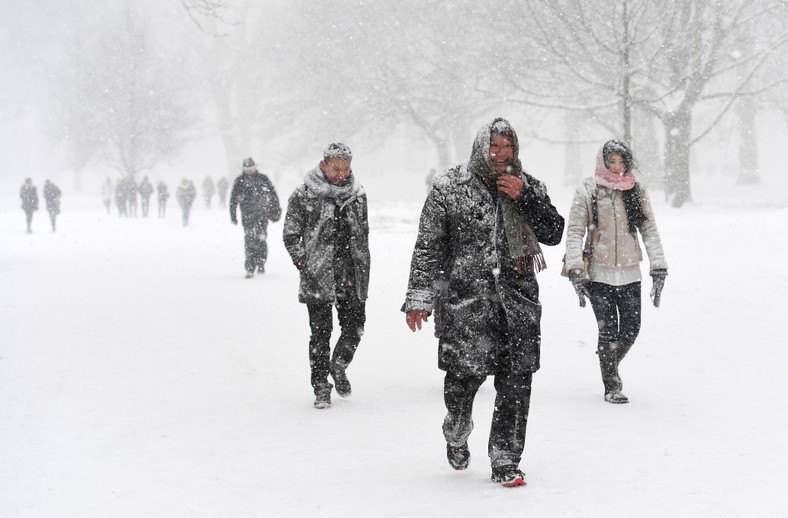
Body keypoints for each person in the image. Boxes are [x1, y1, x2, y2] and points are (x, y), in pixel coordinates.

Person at [402, 118, 564, 488]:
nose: (501, 154)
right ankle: (456, 428)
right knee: (462, 382)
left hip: (518, 304)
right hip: (465, 304)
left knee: (517, 383)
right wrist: (419, 297)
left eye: (508, 147)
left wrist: (526, 198)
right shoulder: (450, 187)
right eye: (494, 146)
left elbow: (553, 232)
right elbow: (428, 246)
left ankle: (506, 459)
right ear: (480, 147)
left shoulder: (527, 184)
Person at [564, 139, 668, 404]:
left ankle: (608, 360)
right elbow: (575, 230)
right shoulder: (589, 190)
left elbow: (650, 230)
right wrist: (575, 267)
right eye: (611, 160)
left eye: (622, 160)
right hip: (598, 274)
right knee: (608, 330)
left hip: (631, 272)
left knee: (631, 329)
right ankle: (612, 384)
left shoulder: (636, 189)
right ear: (602, 161)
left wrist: (659, 267)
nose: (617, 166)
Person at [283, 143, 370, 410]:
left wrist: (362, 264)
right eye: (336, 168)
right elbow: (290, 233)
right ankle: (321, 386)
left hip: (352, 273)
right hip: (318, 275)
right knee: (320, 334)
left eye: (346, 168)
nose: (341, 174)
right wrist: (304, 261)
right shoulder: (303, 195)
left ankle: (339, 365)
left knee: (355, 326)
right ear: (323, 165)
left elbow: (363, 233)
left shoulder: (358, 195)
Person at [230, 158, 281, 278]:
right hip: (247, 216)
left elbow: (273, 195)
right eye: (246, 169)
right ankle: (250, 267)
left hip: (262, 216)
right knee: (249, 240)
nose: (249, 171)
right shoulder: (239, 181)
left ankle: (261, 262)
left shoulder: (263, 179)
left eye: (251, 169)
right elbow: (233, 200)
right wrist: (233, 215)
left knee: (261, 239)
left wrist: (277, 210)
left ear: (255, 168)